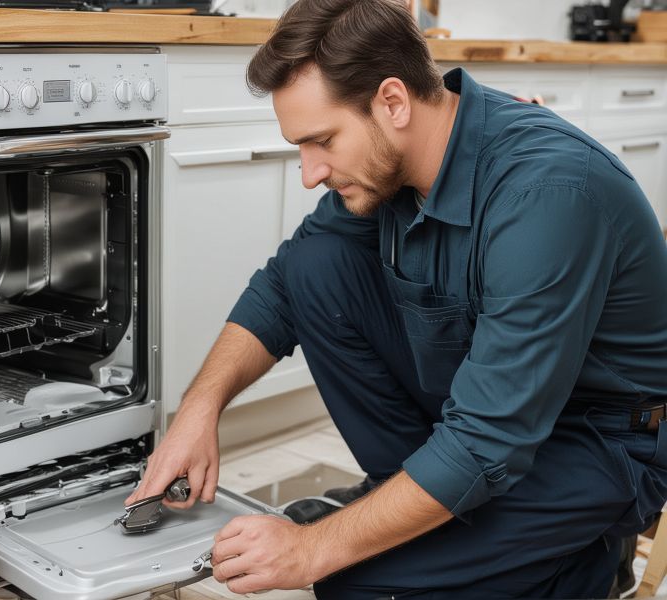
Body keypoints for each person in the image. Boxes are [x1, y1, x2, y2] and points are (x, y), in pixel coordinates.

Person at [127, 0, 667, 597]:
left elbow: (488, 439)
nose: (309, 173)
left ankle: (584, 560)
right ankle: (429, 509)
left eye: (322, 141)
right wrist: (198, 410)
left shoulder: (547, 195)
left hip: (600, 441)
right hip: (496, 412)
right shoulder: (396, 165)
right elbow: (283, 286)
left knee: (354, 580)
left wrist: (315, 548)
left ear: (392, 101)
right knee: (316, 266)